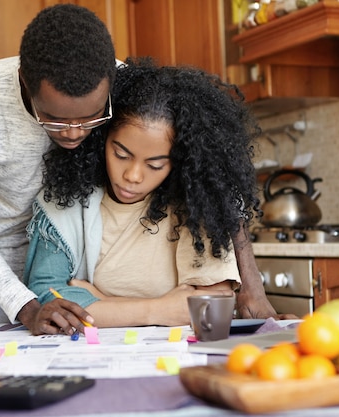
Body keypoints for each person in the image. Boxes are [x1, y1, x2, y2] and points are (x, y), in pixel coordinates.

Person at [23, 58, 285, 327]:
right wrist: (158, 310)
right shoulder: (63, 201)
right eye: (121, 154)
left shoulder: (193, 207)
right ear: (100, 138)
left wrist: (99, 299)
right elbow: (48, 300)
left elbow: (209, 307)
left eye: (155, 164)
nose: (133, 176)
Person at [0, 4, 117, 334]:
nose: (73, 133)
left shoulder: (118, 80)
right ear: (24, 83)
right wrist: (26, 307)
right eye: (54, 119)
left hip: (59, 280)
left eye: (90, 118)